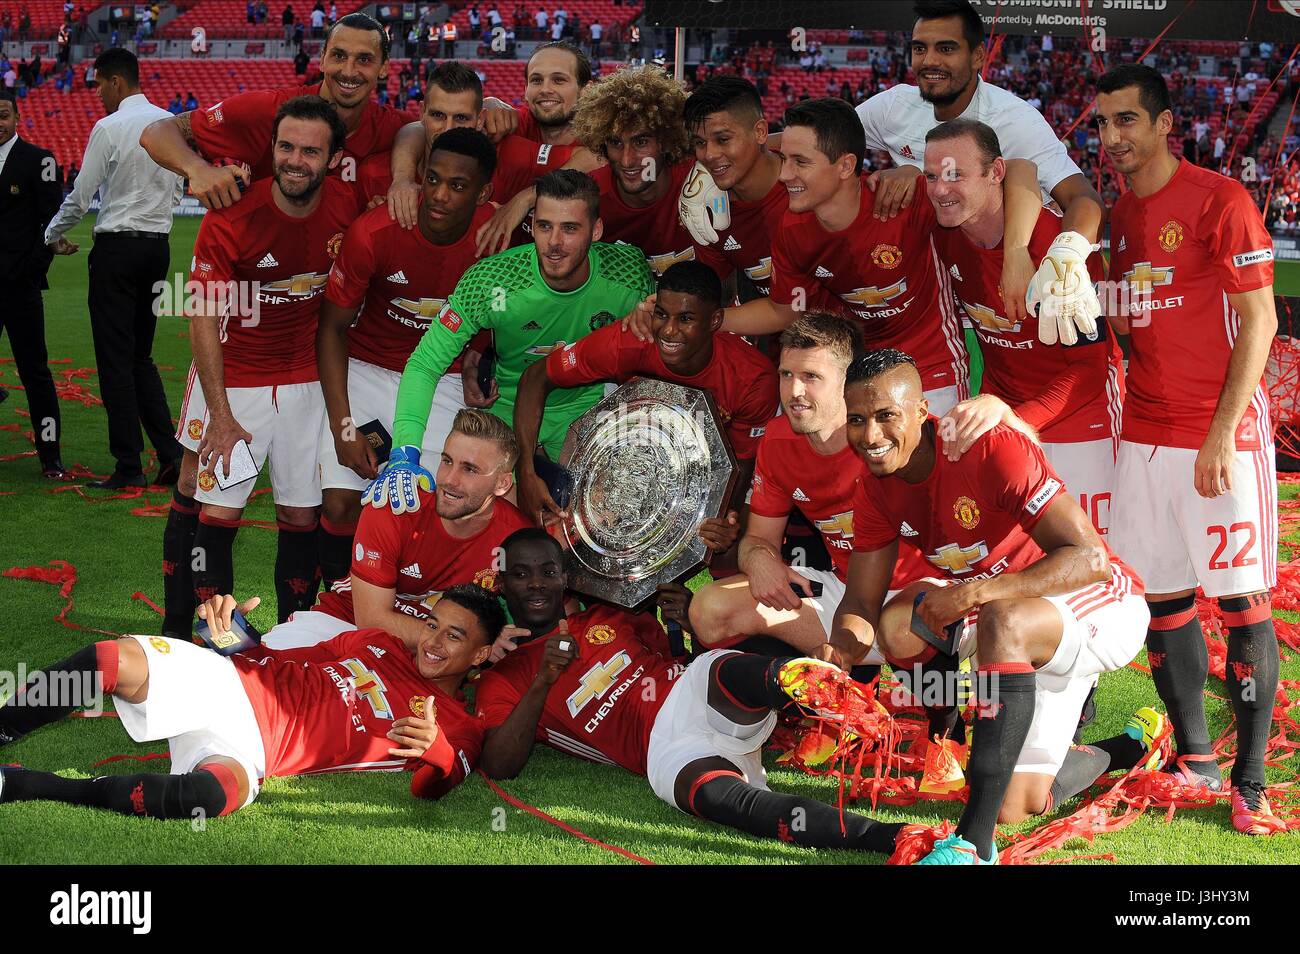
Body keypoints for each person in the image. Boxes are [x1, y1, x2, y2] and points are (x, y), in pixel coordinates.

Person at [825, 349, 1149, 864]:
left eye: (886, 416)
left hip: (1097, 603)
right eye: (857, 420)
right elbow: (862, 599)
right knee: (899, 624)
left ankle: (973, 846)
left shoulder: (987, 447)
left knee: (1001, 616)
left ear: (921, 413)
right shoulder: (875, 486)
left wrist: (977, 593)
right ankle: (1127, 745)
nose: (871, 435)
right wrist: (836, 653)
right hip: (1007, 617)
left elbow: (1089, 559)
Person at [1098, 65, 1285, 834]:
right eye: (1104, 124)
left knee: (1239, 601)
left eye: (1128, 122)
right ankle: (1197, 760)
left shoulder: (1222, 200)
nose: (1113, 139)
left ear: (1166, 124)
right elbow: (1126, 328)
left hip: (1221, 437)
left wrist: (1219, 434)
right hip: (1141, 439)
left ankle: (1251, 783)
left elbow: (1262, 323)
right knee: (1164, 601)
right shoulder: (1119, 217)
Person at [475, 528, 911, 856]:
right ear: (502, 584)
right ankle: (892, 837)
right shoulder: (504, 677)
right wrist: (544, 680)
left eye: (548, 572)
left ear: (564, 578)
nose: (535, 584)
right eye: (520, 574)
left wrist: (684, 622)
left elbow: (682, 658)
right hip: (665, 750)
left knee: (737, 671)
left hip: (694, 691)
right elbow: (498, 765)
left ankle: (848, 706)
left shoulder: (609, 617)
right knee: (731, 803)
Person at [0, 583, 502, 818]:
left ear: (481, 655)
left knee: (210, 798)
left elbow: (431, 790)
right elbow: (275, 657)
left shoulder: (461, 726)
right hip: (230, 682)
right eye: (433, 626)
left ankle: (27, 785)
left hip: (259, 752)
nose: (433, 642)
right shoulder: (375, 642)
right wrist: (230, 632)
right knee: (110, 660)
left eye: (453, 637)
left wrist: (434, 748)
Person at [170, 97, 364, 635]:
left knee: (301, 515)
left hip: (309, 383)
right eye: (286, 147)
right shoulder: (232, 212)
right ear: (271, 149)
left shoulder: (349, 206)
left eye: (310, 150)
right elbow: (203, 318)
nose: (295, 160)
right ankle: (214, 640)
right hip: (237, 382)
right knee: (219, 514)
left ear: (332, 159)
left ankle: (294, 638)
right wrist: (221, 413)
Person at [365, 169, 654, 513]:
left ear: (597, 231)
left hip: (584, 406)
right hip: (505, 406)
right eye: (544, 226)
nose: (554, 243)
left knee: (610, 513)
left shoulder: (629, 273)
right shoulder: (492, 280)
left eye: (570, 229)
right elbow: (425, 364)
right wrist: (403, 454)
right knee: (480, 510)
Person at [315, 129, 498, 581]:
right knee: (340, 503)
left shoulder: (498, 236)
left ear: (484, 193)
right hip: (369, 368)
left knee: (434, 503)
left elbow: (505, 316)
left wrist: (478, 355)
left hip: (445, 378)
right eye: (432, 179)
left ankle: (411, 605)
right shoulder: (375, 232)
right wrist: (343, 426)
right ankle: (338, 602)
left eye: (458, 186)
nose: (438, 195)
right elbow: (332, 328)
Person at [924, 119, 1121, 535]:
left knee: (1086, 562)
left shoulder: (1058, 243)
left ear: (995, 173)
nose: (941, 189)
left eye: (956, 174)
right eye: (931, 176)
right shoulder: (945, 236)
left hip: (1080, 421)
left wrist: (1017, 417)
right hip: (1002, 416)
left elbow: (1090, 369)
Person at [690, 314, 904, 669]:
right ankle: (792, 704)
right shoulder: (777, 441)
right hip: (846, 592)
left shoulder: (890, 435)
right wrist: (760, 560)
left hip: (917, 596)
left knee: (904, 630)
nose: (794, 391)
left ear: (847, 382)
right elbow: (757, 540)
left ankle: (908, 686)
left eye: (811, 377)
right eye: (786, 375)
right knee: (709, 609)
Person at [513, 260, 774, 546]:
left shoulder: (752, 378)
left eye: (685, 319)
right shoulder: (629, 341)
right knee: (557, 542)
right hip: (623, 462)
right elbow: (536, 376)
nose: (669, 331)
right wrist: (524, 469)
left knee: (730, 550)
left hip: (697, 479)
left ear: (714, 321)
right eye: (661, 314)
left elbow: (743, 462)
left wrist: (725, 517)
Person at [265, 409, 531, 650]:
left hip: (428, 652)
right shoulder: (394, 506)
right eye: (447, 461)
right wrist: (471, 642)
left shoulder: (517, 539)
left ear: (502, 483)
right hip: (344, 622)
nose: (449, 480)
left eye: (469, 469)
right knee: (272, 668)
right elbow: (372, 621)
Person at [44, 49, 185, 490]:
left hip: (117, 250)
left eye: (101, 84)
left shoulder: (108, 127)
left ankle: (128, 466)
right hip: (157, 248)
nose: (99, 93)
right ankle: (170, 455)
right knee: (140, 356)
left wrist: (50, 234)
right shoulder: (172, 124)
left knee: (114, 361)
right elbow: (181, 189)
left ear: (117, 82)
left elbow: (81, 195)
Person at [140, 13, 405, 209]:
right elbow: (158, 131)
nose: (348, 71)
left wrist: (403, 182)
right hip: (263, 272)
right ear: (322, 58)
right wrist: (197, 169)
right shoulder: (269, 110)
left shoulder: (396, 129)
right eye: (338, 55)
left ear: (384, 68)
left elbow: (429, 135)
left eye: (364, 60)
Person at [0, 92, 64, 478]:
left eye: (4, 115)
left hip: (20, 287)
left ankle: (50, 455)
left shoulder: (39, 160)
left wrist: (31, 269)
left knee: (34, 373)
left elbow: (51, 222)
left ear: (18, 117)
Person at [682, 76, 787, 299]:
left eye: (723, 139)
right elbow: (720, 299)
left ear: (760, 132)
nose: (709, 154)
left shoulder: (810, 184)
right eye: (700, 143)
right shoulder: (707, 210)